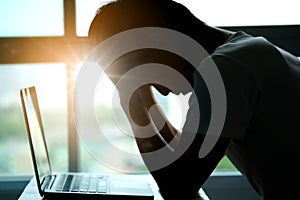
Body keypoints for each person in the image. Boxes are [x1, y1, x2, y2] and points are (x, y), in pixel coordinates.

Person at [88, 0, 300, 199]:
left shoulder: (226, 70)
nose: (161, 92)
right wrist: (141, 92)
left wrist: (131, 99)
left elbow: (179, 188)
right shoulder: (242, 53)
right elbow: (183, 158)